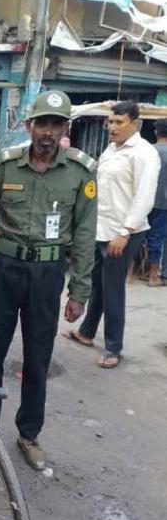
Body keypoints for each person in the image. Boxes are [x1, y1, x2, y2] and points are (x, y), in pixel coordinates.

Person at [0, 91, 97, 470]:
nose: (47, 132)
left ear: (66, 129)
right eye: (41, 123)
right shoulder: (6, 164)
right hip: (5, 270)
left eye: (55, 124)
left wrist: (78, 291)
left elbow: (84, 235)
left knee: (37, 359)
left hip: (48, 276)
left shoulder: (80, 173)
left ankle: (29, 434)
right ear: (30, 126)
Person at [66, 101, 160, 368]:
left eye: (119, 122)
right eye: (110, 121)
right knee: (98, 282)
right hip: (101, 228)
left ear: (135, 124)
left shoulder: (143, 153)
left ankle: (114, 348)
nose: (112, 127)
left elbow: (144, 197)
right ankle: (86, 332)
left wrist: (125, 231)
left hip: (124, 232)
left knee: (113, 289)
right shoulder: (111, 149)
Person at [146, 119, 167, 287]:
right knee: (158, 237)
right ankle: (154, 276)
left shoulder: (148, 151)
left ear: (155, 132)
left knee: (140, 235)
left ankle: (129, 274)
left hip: (146, 200)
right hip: (163, 202)